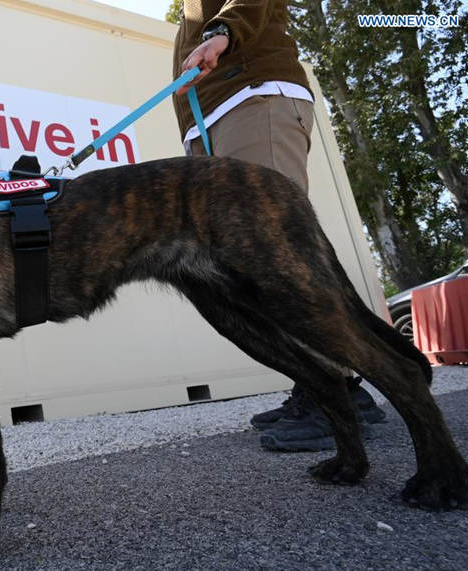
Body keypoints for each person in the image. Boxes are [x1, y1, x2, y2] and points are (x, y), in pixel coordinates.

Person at [171, 0, 385, 451]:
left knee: (277, 254)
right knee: (252, 266)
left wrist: (224, 30)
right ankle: (338, 387)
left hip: (252, 96)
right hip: (215, 116)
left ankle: (331, 395)